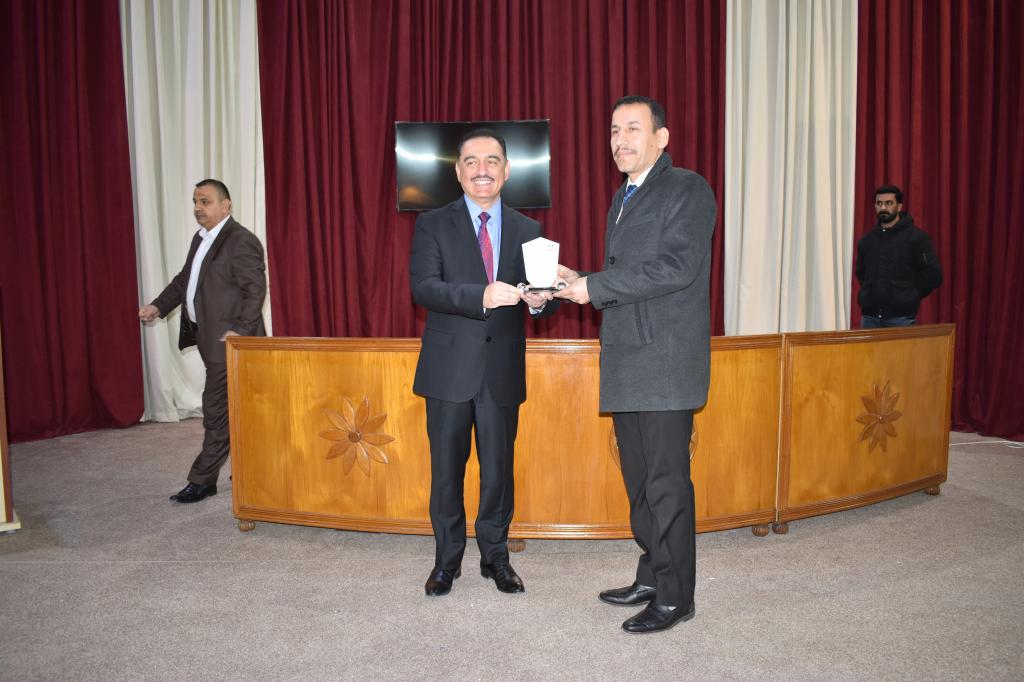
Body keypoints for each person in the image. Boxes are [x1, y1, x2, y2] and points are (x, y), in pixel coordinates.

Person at [555, 96, 716, 634]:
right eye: (613, 131)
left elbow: (676, 268)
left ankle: (676, 596)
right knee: (641, 483)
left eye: (632, 129)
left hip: (664, 364)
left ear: (661, 138)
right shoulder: (623, 196)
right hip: (627, 360)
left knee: (667, 486)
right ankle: (652, 574)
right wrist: (577, 280)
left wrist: (594, 286)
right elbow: (630, 277)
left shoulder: (687, 188)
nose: (620, 140)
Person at [409, 129, 558, 597]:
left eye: (492, 160)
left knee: (498, 473)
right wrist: (481, 295)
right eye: (471, 161)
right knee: (446, 474)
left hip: (501, 372)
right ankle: (446, 561)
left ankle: (496, 558)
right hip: (448, 371)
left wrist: (540, 301)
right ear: (458, 172)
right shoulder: (433, 224)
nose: (482, 170)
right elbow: (424, 287)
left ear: (506, 170)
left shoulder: (529, 230)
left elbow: (541, 296)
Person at [139, 179, 267, 503]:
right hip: (212, 339)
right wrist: (158, 306)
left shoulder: (241, 240)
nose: (198, 208)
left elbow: (255, 290)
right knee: (241, 410)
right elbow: (186, 279)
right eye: (195, 202)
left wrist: (240, 331)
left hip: (232, 344)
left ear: (226, 205)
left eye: (205, 201)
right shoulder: (201, 238)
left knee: (216, 410)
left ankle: (203, 480)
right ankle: (252, 466)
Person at [855, 185, 942, 328]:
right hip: (870, 318)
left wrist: (909, 295)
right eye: (879, 203)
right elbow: (861, 273)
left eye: (888, 203)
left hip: (901, 319)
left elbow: (933, 275)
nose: (883, 207)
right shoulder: (867, 241)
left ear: (899, 206)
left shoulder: (917, 238)